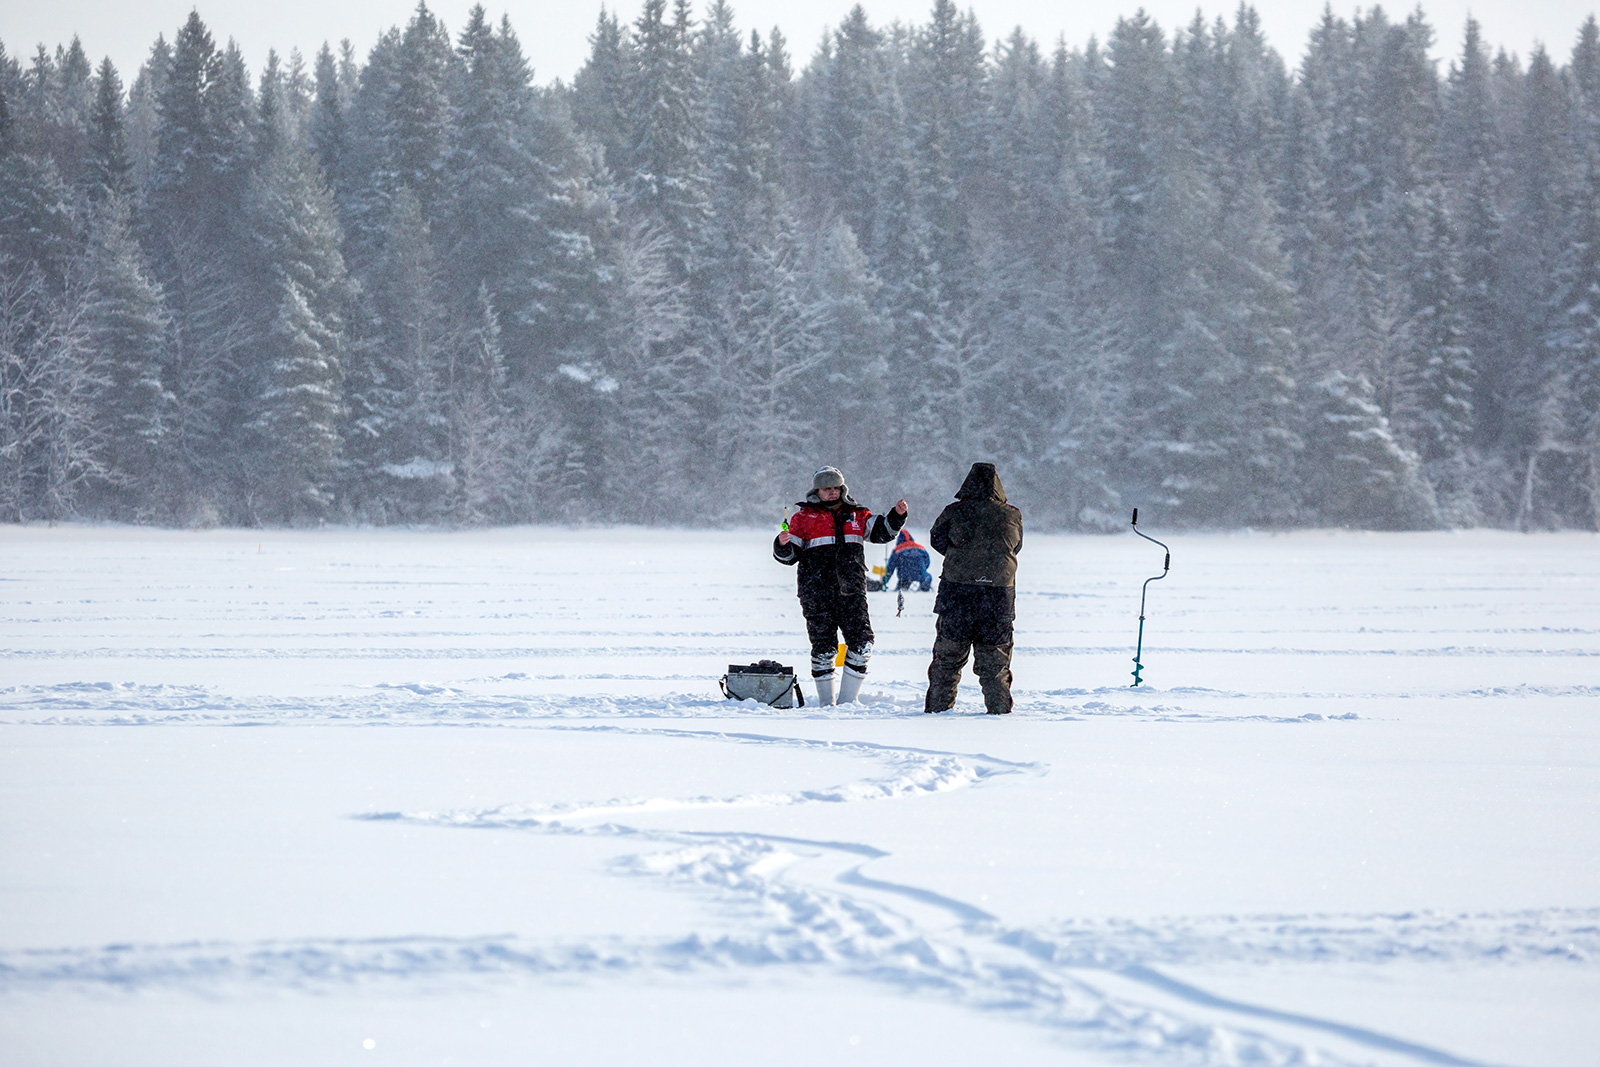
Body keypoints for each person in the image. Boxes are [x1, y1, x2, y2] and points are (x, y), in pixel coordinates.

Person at [774, 466, 907, 705]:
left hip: (852, 591)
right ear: (817, 491)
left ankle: (848, 702)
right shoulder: (802, 518)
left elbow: (882, 532)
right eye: (827, 488)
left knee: (863, 644)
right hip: (816, 593)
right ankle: (827, 704)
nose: (832, 492)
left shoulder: (858, 514)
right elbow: (789, 556)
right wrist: (782, 545)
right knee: (824, 649)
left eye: (836, 487)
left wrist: (896, 516)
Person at [924, 462, 1023, 715]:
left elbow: (937, 539)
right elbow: (1016, 546)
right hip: (998, 596)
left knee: (947, 660)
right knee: (995, 663)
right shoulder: (1012, 514)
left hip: (957, 594)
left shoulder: (954, 511)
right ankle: (999, 711)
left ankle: (937, 711)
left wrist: (962, 557)